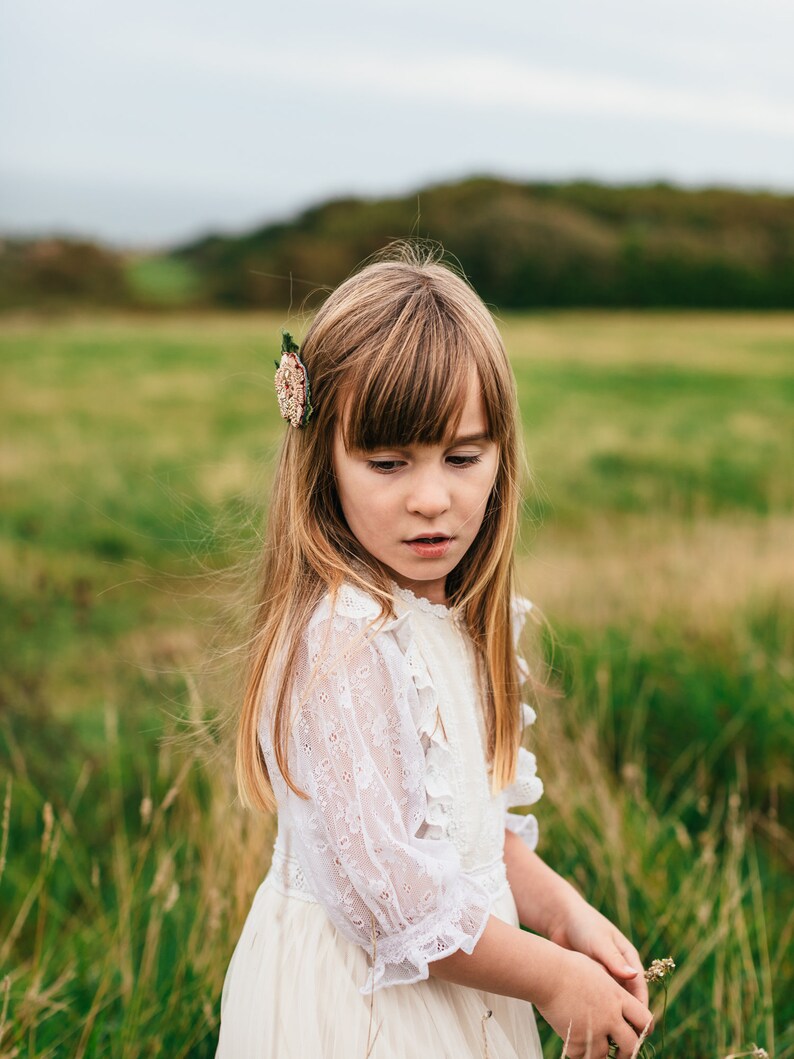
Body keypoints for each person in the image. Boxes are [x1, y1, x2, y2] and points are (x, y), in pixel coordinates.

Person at [215, 246, 653, 1059]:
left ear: (501, 457)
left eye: (462, 456)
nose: (430, 498)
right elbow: (397, 901)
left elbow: (468, 836)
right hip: (364, 1013)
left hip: (468, 987)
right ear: (324, 463)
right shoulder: (345, 643)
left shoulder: (456, 617)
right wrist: (552, 978)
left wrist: (562, 914)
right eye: (386, 463)